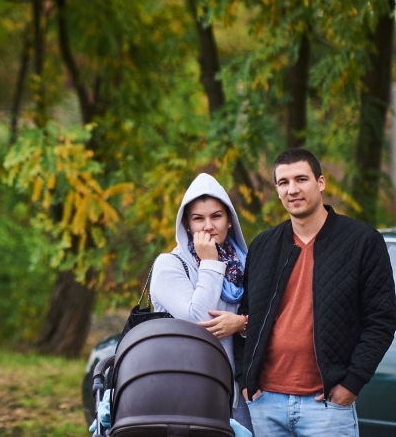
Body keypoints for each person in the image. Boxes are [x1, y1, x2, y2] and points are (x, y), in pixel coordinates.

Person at [238, 148, 396, 437]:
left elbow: (381, 319)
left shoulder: (362, 242)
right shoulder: (263, 246)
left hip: (326, 406)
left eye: (301, 179)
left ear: (320, 182)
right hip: (265, 403)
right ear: (277, 189)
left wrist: (352, 384)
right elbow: (244, 316)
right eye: (283, 182)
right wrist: (245, 380)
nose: (292, 189)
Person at [149, 173, 254, 434]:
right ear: (186, 224)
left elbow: (267, 318)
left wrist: (242, 324)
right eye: (198, 218)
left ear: (230, 220)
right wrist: (210, 262)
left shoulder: (247, 263)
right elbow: (197, 323)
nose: (208, 225)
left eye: (216, 216)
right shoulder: (170, 265)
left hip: (241, 396)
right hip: (188, 392)